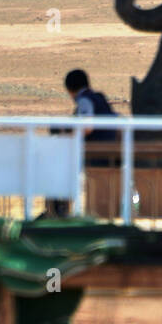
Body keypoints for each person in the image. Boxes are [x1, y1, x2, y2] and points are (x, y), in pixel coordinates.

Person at [39, 69, 120, 218]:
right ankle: (58, 210)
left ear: (69, 90)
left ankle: (56, 211)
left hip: (94, 152)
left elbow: (87, 127)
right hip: (108, 149)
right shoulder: (99, 98)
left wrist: (67, 132)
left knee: (57, 167)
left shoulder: (84, 100)